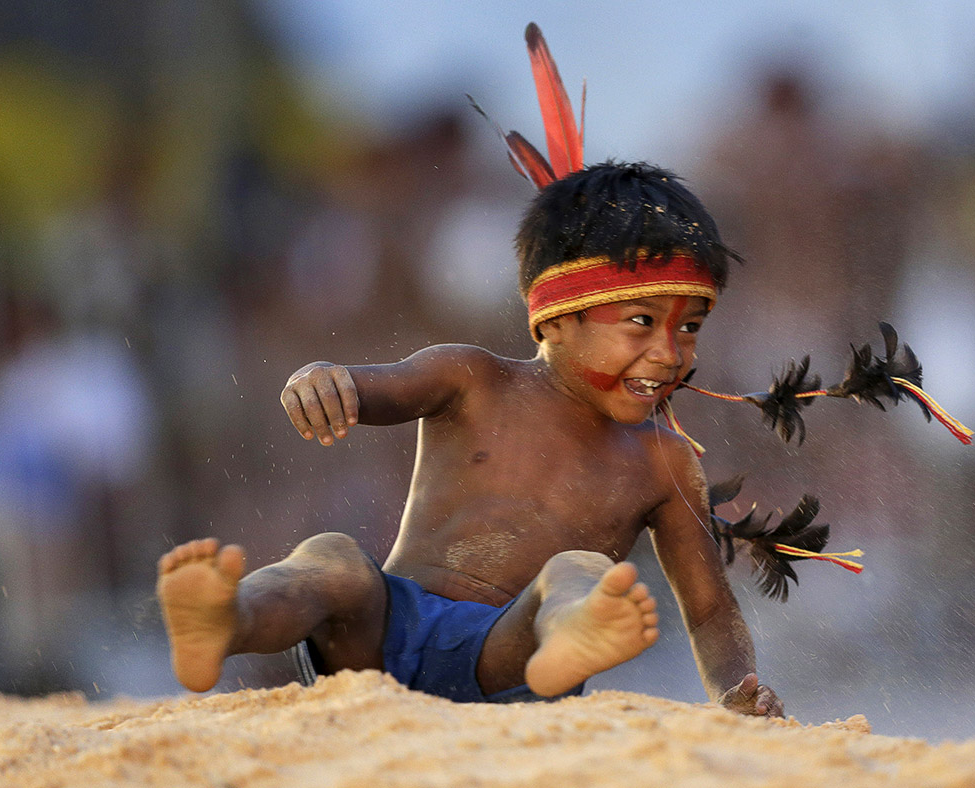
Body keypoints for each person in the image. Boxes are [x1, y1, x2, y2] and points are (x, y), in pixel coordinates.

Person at [156, 161, 783, 716]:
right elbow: (366, 387)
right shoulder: (470, 377)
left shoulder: (662, 461)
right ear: (556, 319)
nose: (670, 354)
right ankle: (227, 618)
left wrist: (736, 690)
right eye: (641, 323)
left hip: (505, 655)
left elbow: (709, 611)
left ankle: (566, 640)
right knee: (332, 558)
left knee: (575, 571)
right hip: (377, 637)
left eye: (690, 328)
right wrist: (316, 381)